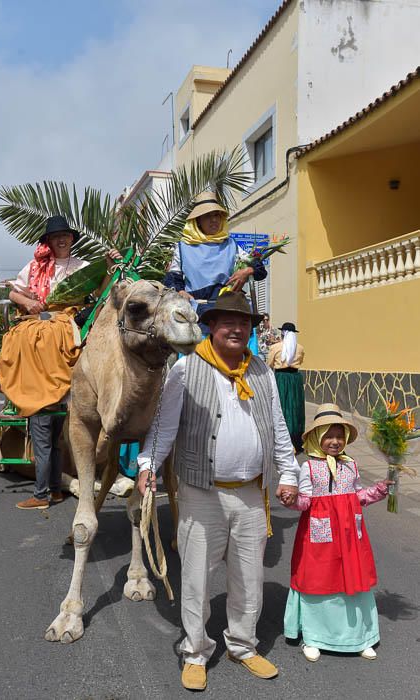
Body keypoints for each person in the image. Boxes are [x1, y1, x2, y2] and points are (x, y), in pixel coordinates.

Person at [137, 291, 299, 691]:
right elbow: (164, 427)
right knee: (197, 578)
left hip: (250, 493)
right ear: (210, 326)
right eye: (228, 321)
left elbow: (277, 426)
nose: (237, 328)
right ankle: (195, 650)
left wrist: (290, 474)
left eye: (243, 322)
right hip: (201, 493)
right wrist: (147, 466)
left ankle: (242, 645)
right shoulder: (186, 369)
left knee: (249, 576)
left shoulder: (261, 370)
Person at [283, 404, 393, 662]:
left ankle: (360, 637)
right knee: (318, 581)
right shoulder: (309, 467)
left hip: (349, 537)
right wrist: (291, 499)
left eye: (339, 435)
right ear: (316, 437)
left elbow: (358, 497)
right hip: (318, 538)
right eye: (329, 436)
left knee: (352, 580)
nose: (335, 441)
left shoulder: (351, 465)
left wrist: (380, 489)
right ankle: (314, 636)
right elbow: (305, 503)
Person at [5, 215, 88, 510]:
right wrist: (27, 302)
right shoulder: (35, 267)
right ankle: (51, 491)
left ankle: (44, 493)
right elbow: (14, 290)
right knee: (48, 437)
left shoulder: (82, 268)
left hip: (67, 328)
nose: (61, 240)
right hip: (38, 330)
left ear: (72, 239)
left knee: (48, 436)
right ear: (48, 242)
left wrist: (114, 263)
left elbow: (104, 287)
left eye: (65, 235)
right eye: (56, 237)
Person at [164, 191, 267, 323]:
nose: (214, 220)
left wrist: (247, 271)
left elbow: (261, 271)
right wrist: (180, 292)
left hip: (228, 310)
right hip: (195, 313)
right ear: (198, 221)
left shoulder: (232, 245)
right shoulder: (182, 247)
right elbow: (172, 279)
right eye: (207, 216)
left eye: (217, 215)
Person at [267, 322, 305, 452]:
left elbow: (269, 364)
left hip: (281, 379)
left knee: (281, 406)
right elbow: (301, 361)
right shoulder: (300, 348)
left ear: (283, 332)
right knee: (295, 407)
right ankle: (295, 439)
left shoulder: (275, 347)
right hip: (295, 379)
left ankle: (280, 439)